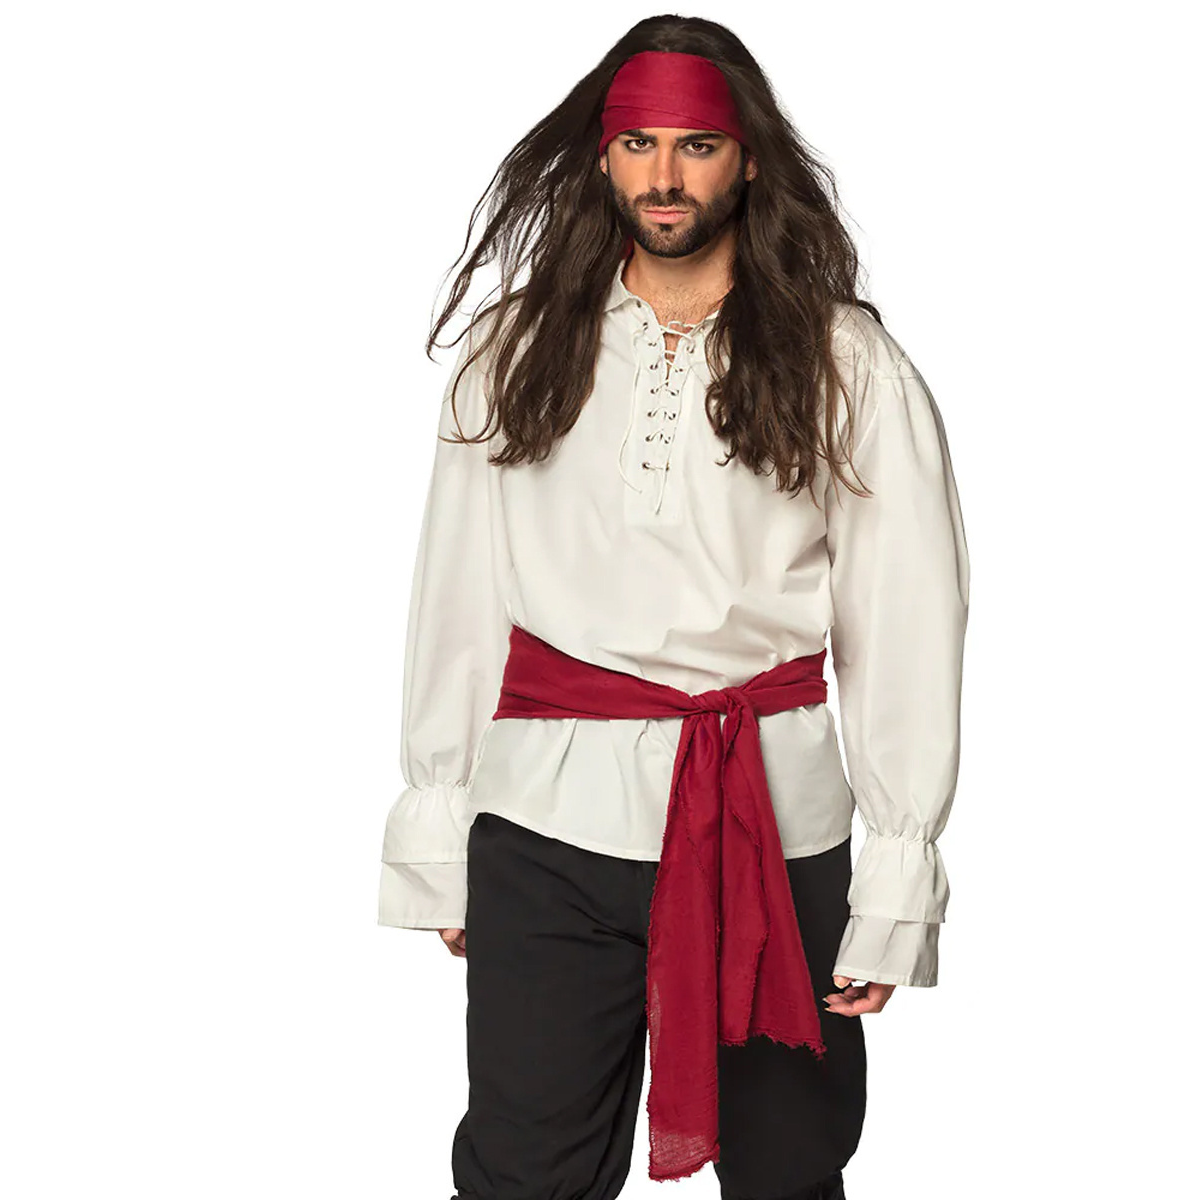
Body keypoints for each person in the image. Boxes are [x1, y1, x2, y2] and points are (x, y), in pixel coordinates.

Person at [377, 16, 970, 1200]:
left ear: (745, 160)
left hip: (771, 823)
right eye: (637, 143)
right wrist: (438, 824)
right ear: (602, 158)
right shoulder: (514, 350)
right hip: (548, 825)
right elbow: (458, 594)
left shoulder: (844, 361)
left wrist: (897, 873)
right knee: (522, 1174)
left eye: (696, 145)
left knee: (788, 1170)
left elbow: (906, 622)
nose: (664, 175)